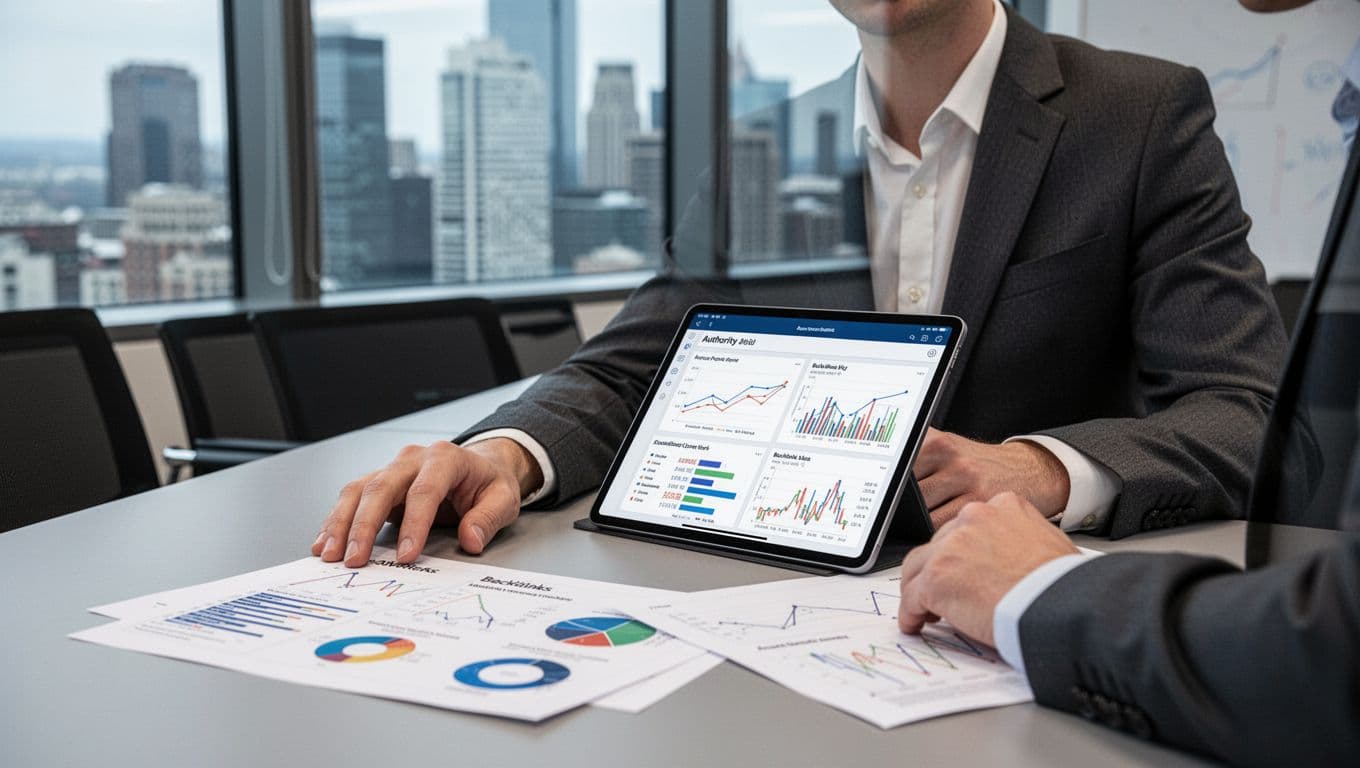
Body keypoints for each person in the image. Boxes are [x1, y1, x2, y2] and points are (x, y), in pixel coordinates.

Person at [312, 0, 1287, 568]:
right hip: (766, 617)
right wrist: (513, 454)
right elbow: (625, 372)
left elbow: (1246, 415)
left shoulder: (1139, 116)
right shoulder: (764, 150)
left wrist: (1039, 469)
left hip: (1024, 630)